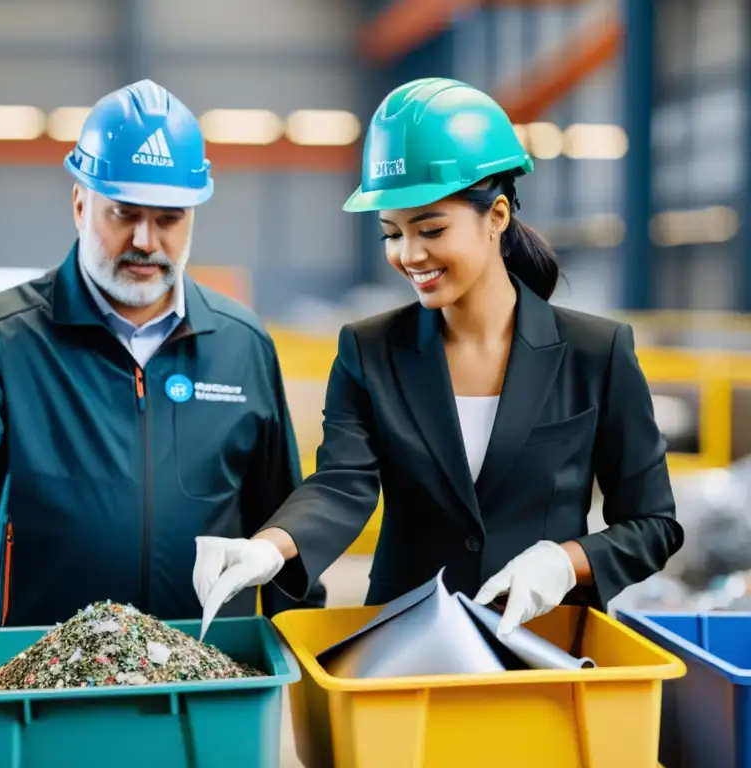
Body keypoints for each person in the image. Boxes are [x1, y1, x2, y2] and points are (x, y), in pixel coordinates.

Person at [192, 77, 684, 639]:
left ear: (496, 215)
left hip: (545, 641)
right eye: (391, 234)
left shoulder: (597, 352)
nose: (409, 255)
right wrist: (269, 548)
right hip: (404, 644)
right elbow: (342, 484)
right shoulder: (368, 350)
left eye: (430, 229)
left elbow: (652, 525)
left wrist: (563, 560)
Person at [0, 79, 325, 629]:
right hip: (39, 678)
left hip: (208, 674)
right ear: (80, 203)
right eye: (124, 214)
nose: (144, 240)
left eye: (168, 219)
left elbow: (281, 520)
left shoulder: (240, 344)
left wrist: (301, 654)